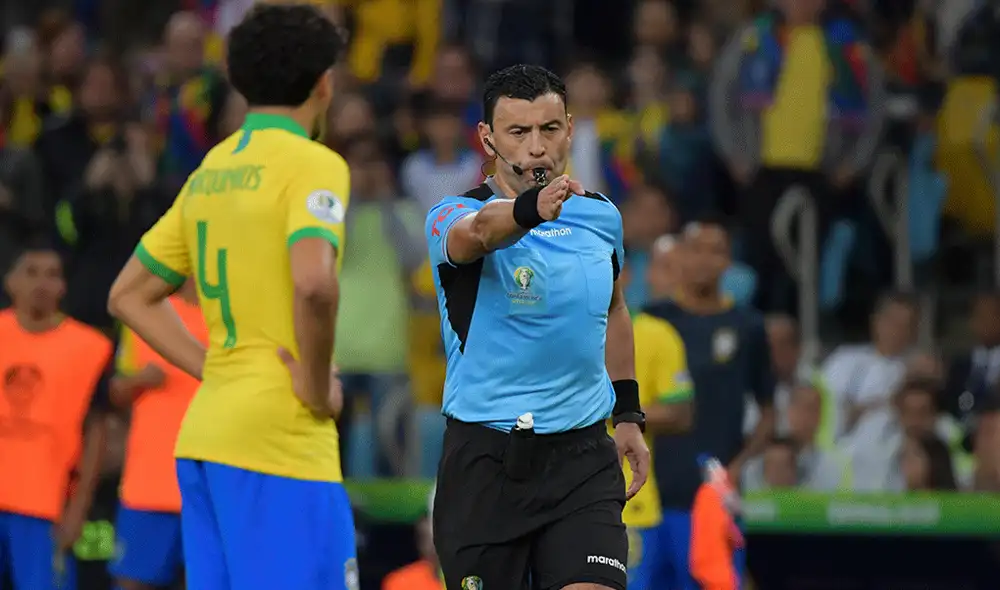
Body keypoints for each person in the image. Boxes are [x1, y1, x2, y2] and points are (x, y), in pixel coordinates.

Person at [107, 4, 356, 589]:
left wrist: (215, 369)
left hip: (206, 438)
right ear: (324, 83)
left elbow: (128, 295)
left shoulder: (210, 169)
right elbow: (315, 282)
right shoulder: (314, 165)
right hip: (280, 442)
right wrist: (319, 386)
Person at [426, 64, 649, 590]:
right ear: (488, 138)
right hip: (488, 460)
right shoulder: (453, 212)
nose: (536, 148)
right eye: (518, 133)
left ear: (569, 129)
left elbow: (615, 310)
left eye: (549, 130)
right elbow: (477, 235)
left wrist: (630, 414)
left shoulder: (601, 217)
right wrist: (531, 210)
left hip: (582, 459)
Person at [643, 217, 775, 590]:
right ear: (680, 256)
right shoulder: (652, 320)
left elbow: (768, 412)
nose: (704, 260)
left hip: (712, 499)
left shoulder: (747, 326)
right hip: (649, 495)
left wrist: (737, 468)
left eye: (715, 251)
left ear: (728, 262)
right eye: (695, 249)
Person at [0, 239, 113, 590]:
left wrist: (79, 507)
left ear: (63, 286)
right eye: (31, 273)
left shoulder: (90, 347)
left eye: (52, 275)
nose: (41, 284)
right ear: (10, 282)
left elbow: (97, 429)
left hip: (46, 505)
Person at [108, 280, 207, 590]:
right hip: (148, 486)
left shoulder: (237, 321)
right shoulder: (145, 313)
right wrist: (140, 380)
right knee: (131, 582)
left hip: (210, 487)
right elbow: (115, 392)